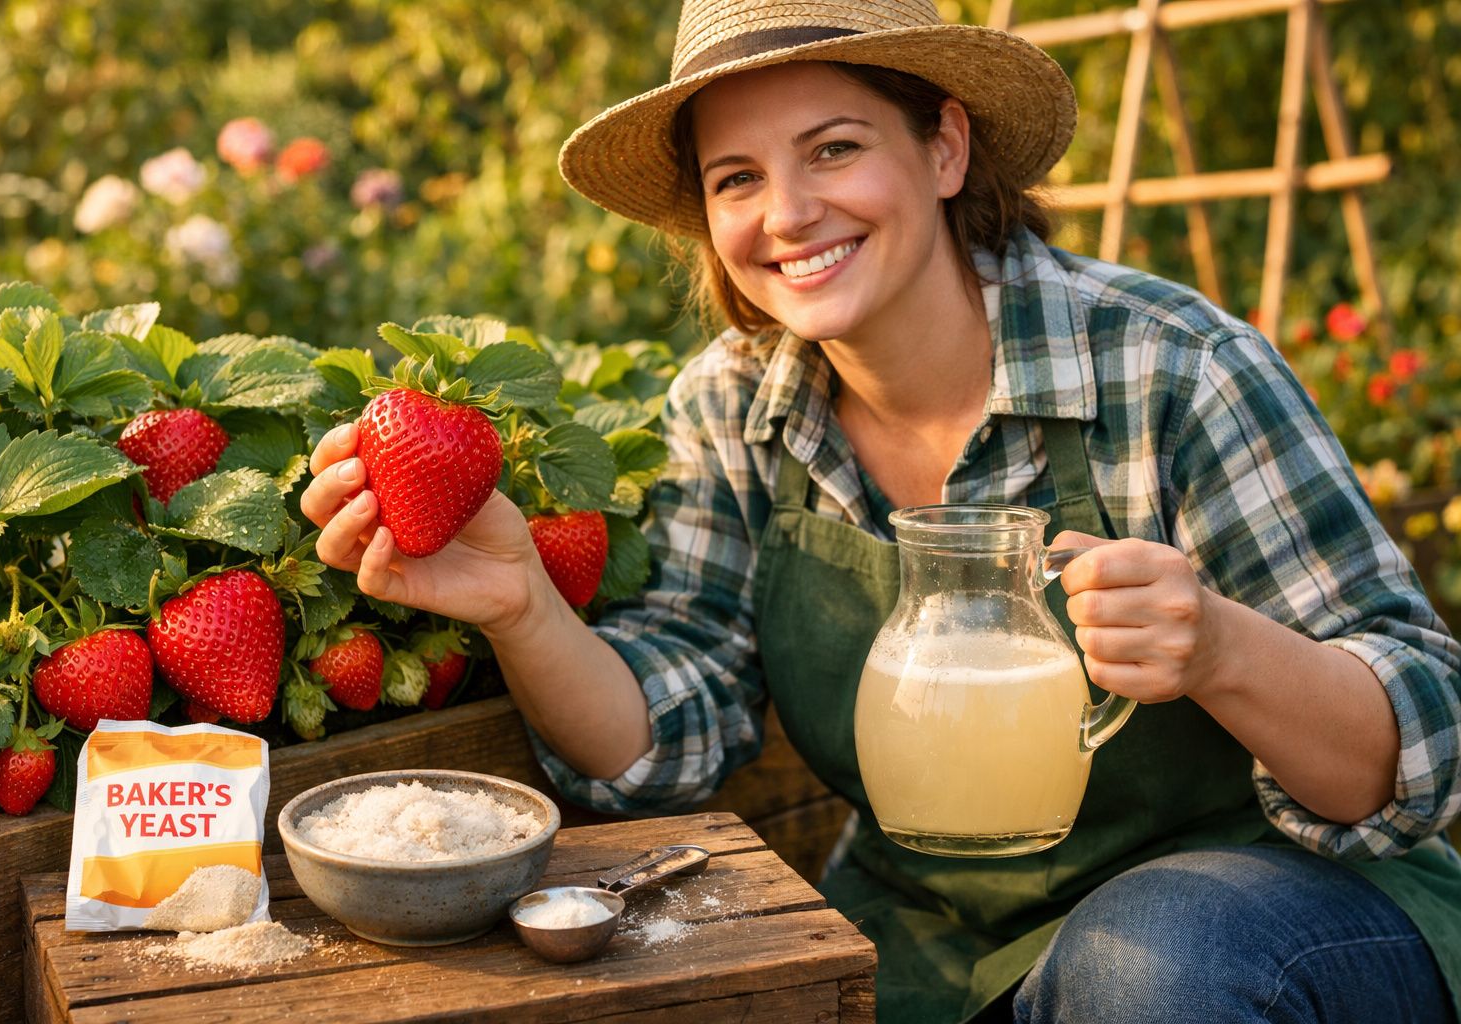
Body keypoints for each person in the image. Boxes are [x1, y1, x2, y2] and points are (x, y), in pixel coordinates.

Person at [300, 0, 1461, 1020]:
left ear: (945, 147)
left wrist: (1218, 645)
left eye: (835, 149)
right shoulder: (736, 408)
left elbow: (1418, 731)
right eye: (737, 178)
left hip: (1265, 918)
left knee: (1147, 958)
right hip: (933, 934)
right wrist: (521, 605)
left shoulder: (1169, 371)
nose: (790, 212)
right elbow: (672, 739)